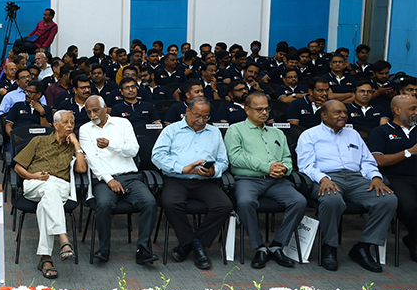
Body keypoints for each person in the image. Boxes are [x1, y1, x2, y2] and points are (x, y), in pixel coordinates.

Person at [297, 100, 396, 272]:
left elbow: (367, 160)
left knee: (388, 200)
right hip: (325, 178)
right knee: (332, 200)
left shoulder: (353, 134)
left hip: (356, 178)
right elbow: (305, 166)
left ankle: (363, 247)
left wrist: (375, 177)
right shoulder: (309, 135)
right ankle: (329, 247)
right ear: (324, 115)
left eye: (344, 112)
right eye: (337, 112)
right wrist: (323, 178)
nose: (343, 115)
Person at [150, 97, 232, 271]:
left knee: (224, 205)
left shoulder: (214, 132)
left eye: (205, 117)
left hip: (205, 181)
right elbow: (157, 156)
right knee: (171, 203)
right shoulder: (171, 130)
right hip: (177, 179)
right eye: (197, 116)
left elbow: (223, 161)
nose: (201, 121)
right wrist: (182, 168)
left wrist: (214, 171)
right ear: (187, 112)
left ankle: (188, 245)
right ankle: (197, 247)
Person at [224, 92, 303, 269]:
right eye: (259, 109)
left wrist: (284, 169)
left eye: (267, 109)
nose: (264, 113)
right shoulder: (235, 130)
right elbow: (235, 157)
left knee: (299, 201)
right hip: (247, 179)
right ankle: (259, 247)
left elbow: (287, 158)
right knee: (245, 202)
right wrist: (267, 167)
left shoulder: (277, 133)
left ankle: (277, 246)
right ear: (247, 110)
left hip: (277, 181)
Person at [79, 96, 158, 265]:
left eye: (95, 110)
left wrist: (110, 145)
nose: (92, 115)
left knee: (149, 202)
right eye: (88, 112)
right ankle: (104, 248)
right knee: (103, 204)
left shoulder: (122, 123)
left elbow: (133, 150)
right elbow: (91, 160)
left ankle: (143, 249)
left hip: (129, 176)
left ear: (105, 108)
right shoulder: (85, 129)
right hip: (104, 179)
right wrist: (109, 180)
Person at [13, 110, 86, 278]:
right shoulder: (39, 141)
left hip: (60, 187)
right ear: (55, 124)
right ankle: (62, 237)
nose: (70, 126)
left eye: (72, 122)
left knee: (45, 204)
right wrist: (33, 176)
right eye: (66, 122)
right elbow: (17, 166)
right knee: (49, 189)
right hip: (35, 182)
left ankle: (46, 258)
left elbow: (82, 168)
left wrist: (76, 144)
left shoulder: (72, 146)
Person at [368, 95, 417, 263]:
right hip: (396, 178)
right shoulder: (381, 132)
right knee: (409, 206)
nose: (416, 112)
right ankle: (414, 239)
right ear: (397, 110)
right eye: (412, 109)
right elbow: (377, 161)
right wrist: (408, 152)